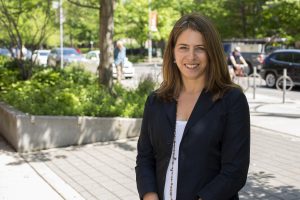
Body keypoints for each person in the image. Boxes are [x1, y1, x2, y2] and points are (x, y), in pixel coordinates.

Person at [135, 13, 250, 200]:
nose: (191, 56)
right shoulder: (155, 101)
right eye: (183, 47)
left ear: (211, 53)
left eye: (200, 48)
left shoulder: (232, 101)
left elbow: (234, 171)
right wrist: (149, 196)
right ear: (172, 52)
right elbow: (145, 158)